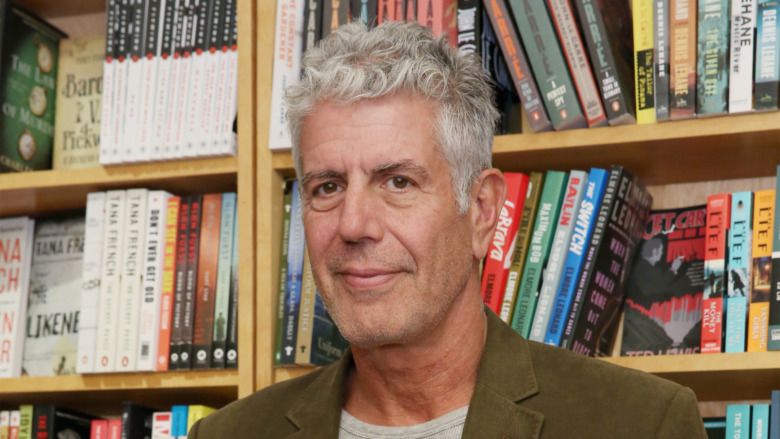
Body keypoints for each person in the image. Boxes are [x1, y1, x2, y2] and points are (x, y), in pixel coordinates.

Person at [189, 21, 707, 439]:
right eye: (327, 187)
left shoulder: (640, 423)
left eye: (397, 181)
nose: (352, 225)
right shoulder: (228, 434)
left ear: (482, 210)